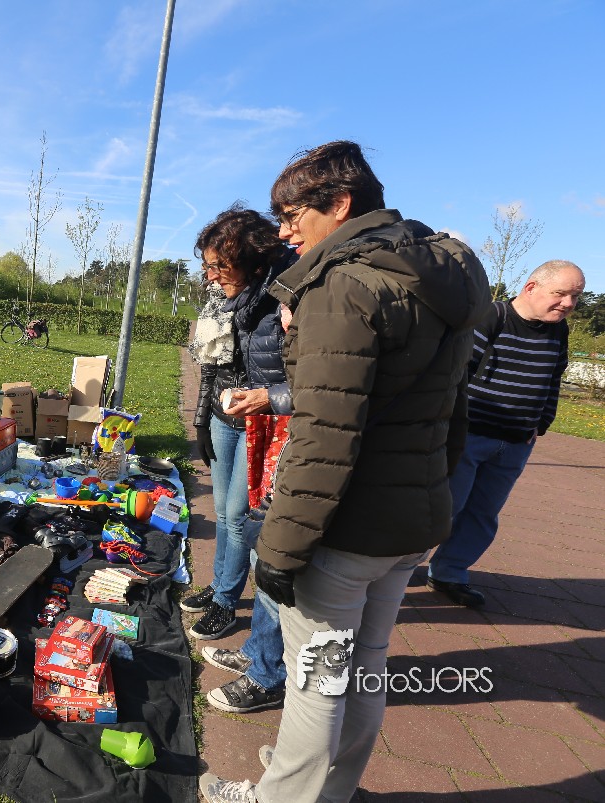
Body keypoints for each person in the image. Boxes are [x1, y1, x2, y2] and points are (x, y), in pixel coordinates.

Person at [199, 141, 490, 803]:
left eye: (291, 215)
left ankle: (284, 795)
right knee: (365, 666)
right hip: (410, 518)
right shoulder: (440, 279)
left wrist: (281, 547)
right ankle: (330, 786)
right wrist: (435, 494)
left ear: (339, 204)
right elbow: (454, 413)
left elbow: (324, 438)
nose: (284, 232)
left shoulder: (345, 286)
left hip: (346, 526)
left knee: (317, 679)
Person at [182, 206, 295, 716]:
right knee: (230, 515)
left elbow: (311, 379)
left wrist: (268, 398)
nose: (210, 275)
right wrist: (202, 418)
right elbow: (211, 365)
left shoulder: (286, 296)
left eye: (217, 265)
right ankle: (226, 597)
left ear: (250, 258)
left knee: (250, 527)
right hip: (230, 414)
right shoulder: (237, 298)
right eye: (207, 266)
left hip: (267, 424)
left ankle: (241, 623)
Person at [427, 260, 584, 606]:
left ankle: (449, 573)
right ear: (531, 287)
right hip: (469, 436)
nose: (568, 304)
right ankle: (395, 569)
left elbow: (553, 378)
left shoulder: (558, 330)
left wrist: (541, 423)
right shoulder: (491, 317)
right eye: (561, 294)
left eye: (575, 297)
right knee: (445, 508)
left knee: (482, 514)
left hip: (516, 443)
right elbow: (457, 373)